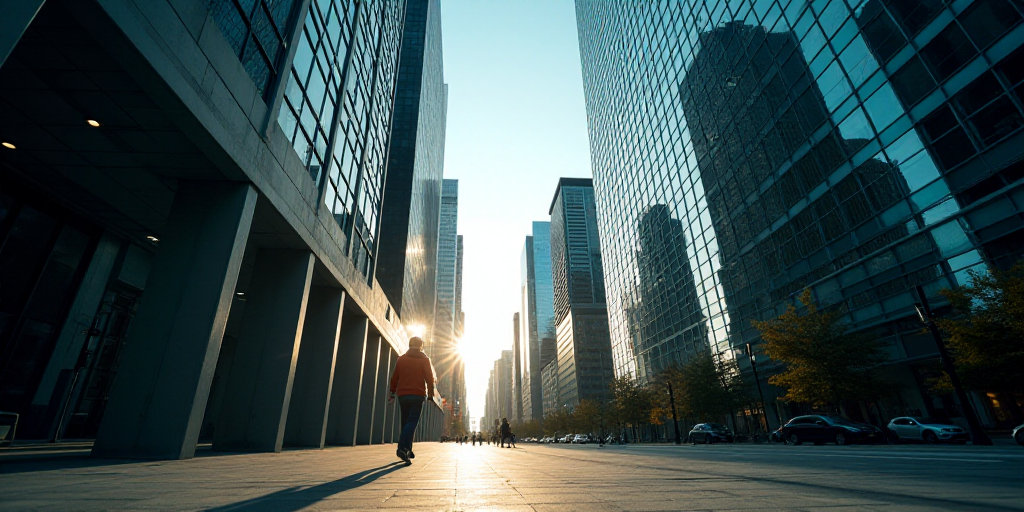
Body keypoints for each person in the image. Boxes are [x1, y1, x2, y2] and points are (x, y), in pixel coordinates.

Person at [389, 337, 434, 464]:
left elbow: (395, 377)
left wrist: (392, 392)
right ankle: (402, 447)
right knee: (412, 422)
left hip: (402, 395)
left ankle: (407, 449)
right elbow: (429, 379)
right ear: (421, 346)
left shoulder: (401, 359)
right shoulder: (425, 360)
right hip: (417, 395)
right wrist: (430, 394)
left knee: (405, 422)